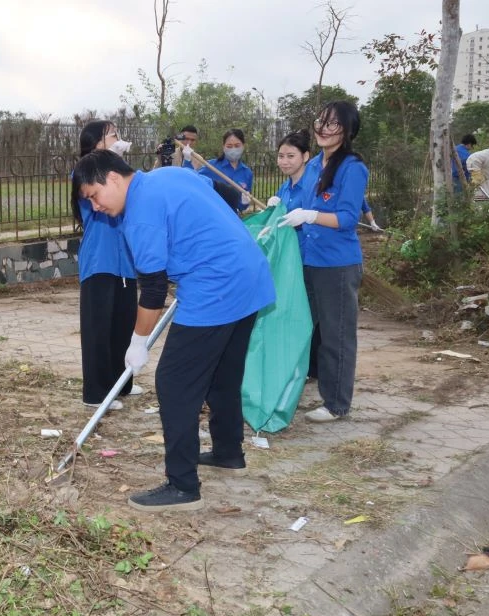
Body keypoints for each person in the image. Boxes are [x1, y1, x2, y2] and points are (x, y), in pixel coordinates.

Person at [71, 150, 275, 512]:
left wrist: (137, 343)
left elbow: (153, 289)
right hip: (249, 273)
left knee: (174, 383)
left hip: (214, 287)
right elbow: (219, 192)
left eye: (94, 196)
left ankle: (182, 485)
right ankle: (228, 452)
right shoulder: (168, 175)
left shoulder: (139, 216)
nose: (95, 207)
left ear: (113, 178)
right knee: (222, 374)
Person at [277, 101, 369, 423]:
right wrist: (281, 207)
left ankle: (336, 404)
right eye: (321, 122)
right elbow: (299, 202)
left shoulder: (352, 167)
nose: (323, 129)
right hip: (308, 260)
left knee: (336, 335)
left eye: (332, 124)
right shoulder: (315, 163)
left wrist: (312, 216)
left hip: (337, 265)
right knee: (301, 328)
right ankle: (290, 388)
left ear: (347, 130)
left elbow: (347, 218)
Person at [71, 121, 137, 411]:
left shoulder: (119, 174)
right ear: (96, 142)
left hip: (126, 262)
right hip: (100, 260)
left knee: (123, 325)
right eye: (112, 135)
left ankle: (121, 385)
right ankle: (95, 393)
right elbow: (94, 210)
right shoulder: (84, 176)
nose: (118, 139)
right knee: (98, 328)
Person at [196, 129, 255, 212]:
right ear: (223, 147)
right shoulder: (211, 166)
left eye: (237, 146)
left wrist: (244, 203)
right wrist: (188, 162)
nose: (233, 149)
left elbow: (242, 207)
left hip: (232, 217)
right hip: (212, 213)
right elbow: (193, 180)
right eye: (229, 146)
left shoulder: (247, 173)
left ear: (243, 146)